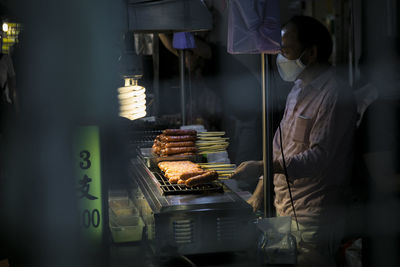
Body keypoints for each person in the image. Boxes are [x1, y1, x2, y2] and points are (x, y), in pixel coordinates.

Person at [230, 16, 357, 266]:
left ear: (310, 53)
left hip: (314, 217)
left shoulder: (335, 95)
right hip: (283, 209)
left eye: (285, 50)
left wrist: (263, 166)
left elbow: (318, 159)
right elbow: (281, 149)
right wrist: (258, 195)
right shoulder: (298, 87)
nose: (280, 57)